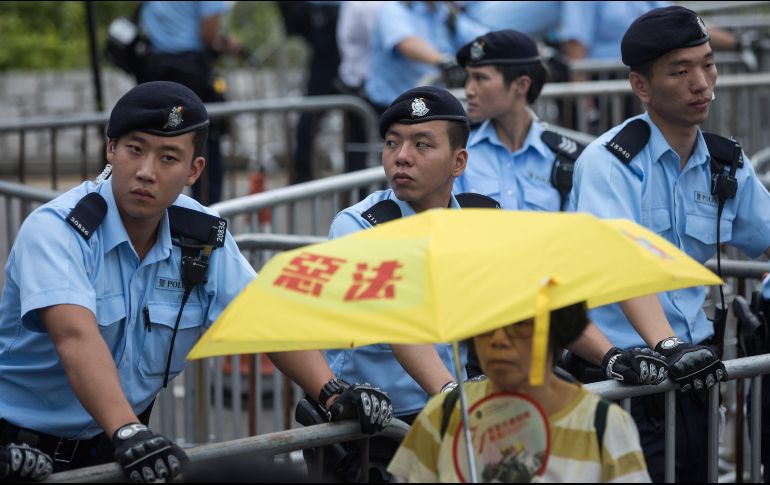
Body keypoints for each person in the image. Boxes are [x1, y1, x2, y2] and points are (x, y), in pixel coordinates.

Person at [0, 81, 392, 482]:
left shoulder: (200, 236)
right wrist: (129, 429)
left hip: (116, 451)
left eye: (168, 157)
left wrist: (332, 392)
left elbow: (264, 319)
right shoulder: (59, 230)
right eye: (135, 149)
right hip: (19, 451)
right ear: (110, 149)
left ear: (193, 170)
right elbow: (75, 338)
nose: (146, 172)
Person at [569, 6, 770, 482]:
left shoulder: (726, 163)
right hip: (625, 374)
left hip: (696, 369)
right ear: (641, 86)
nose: (702, 82)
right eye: (681, 71)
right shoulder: (610, 162)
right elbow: (621, 263)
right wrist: (668, 344)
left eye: (708, 64)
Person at [453, 29, 669, 388]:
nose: (468, 89)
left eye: (480, 78)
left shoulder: (566, 156)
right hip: (483, 327)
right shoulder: (461, 158)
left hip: (557, 331)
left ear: (520, 85)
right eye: (467, 78)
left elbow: (583, 241)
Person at [323, 85, 489, 480]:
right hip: (373, 425)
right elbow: (400, 325)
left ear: (458, 161)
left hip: (456, 416)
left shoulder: (483, 222)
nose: (401, 156)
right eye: (392, 143)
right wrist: (455, 397)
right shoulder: (360, 226)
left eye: (421, 145)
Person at [388, 302, 651, 482]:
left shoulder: (603, 424)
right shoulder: (443, 416)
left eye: (520, 325)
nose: (499, 340)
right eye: (486, 327)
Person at [139, 1, 243, 204]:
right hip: (191, 74)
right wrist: (230, 45)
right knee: (202, 142)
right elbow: (209, 35)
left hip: (154, 71)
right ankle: (205, 220)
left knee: (157, 140)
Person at [363, 1, 488, 112]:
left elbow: (482, 39)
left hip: (430, 104)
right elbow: (406, 43)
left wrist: (501, 45)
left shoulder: (444, 11)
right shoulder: (393, 8)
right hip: (392, 107)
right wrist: (444, 61)